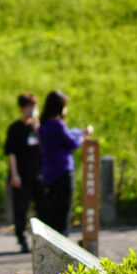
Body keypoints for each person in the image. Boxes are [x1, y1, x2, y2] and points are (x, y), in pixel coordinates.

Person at [37, 90, 93, 236]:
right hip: (62, 172)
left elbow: (67, 135)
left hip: (49, 173)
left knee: (53, 215)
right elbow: (72, 143)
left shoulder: (44, 126)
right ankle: (63, 249)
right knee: (63, 214)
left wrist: (78, 133)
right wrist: (83, 137)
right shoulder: (57, 125)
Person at [4, 93, 41, 253]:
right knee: (21, 209)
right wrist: (14, 175)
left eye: (33, 106)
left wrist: (37, 128)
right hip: (21, 174)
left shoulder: (38, 127)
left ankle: (41, 241)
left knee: (42, 208)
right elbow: (11, 153)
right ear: (21, 108)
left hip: (38, 174)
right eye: (28, 107)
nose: (31, 110)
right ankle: (22, 239)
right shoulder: (15, 128)